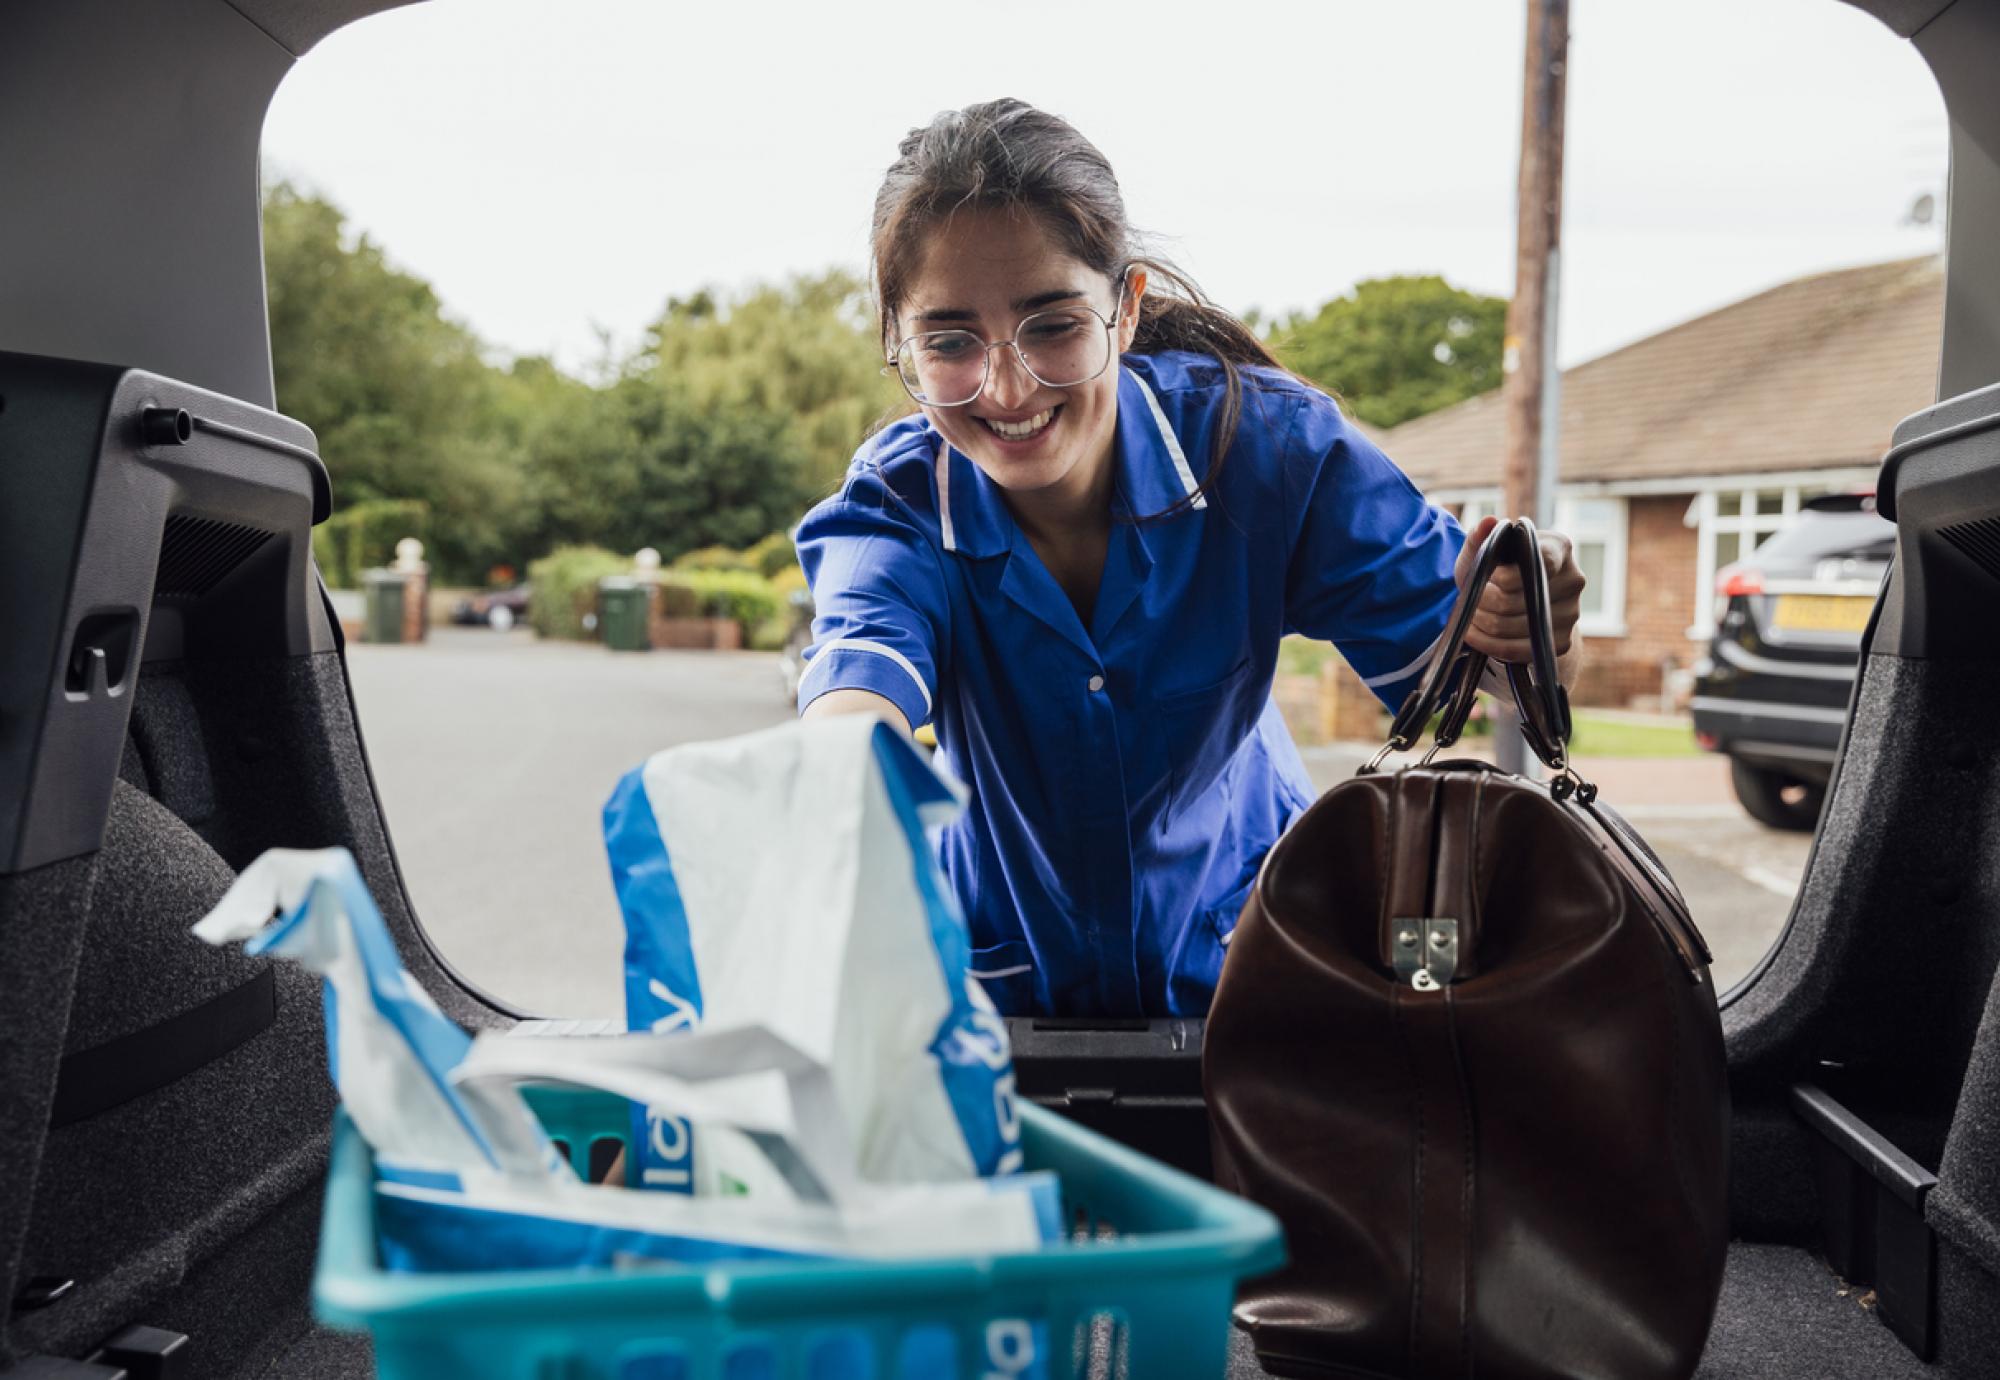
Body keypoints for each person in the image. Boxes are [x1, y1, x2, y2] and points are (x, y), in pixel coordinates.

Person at [796, 98, 1585, 1018]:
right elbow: (853, 703)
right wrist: (835, 796)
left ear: (1123, 309)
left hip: (1258, 984)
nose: (1007, 388)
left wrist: (1531, 626)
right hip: (1007, 1001)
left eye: (1053, 324)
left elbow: (1509, 682)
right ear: (900, 340)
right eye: (949, 341)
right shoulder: (896, 500)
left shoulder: (1270, 451)